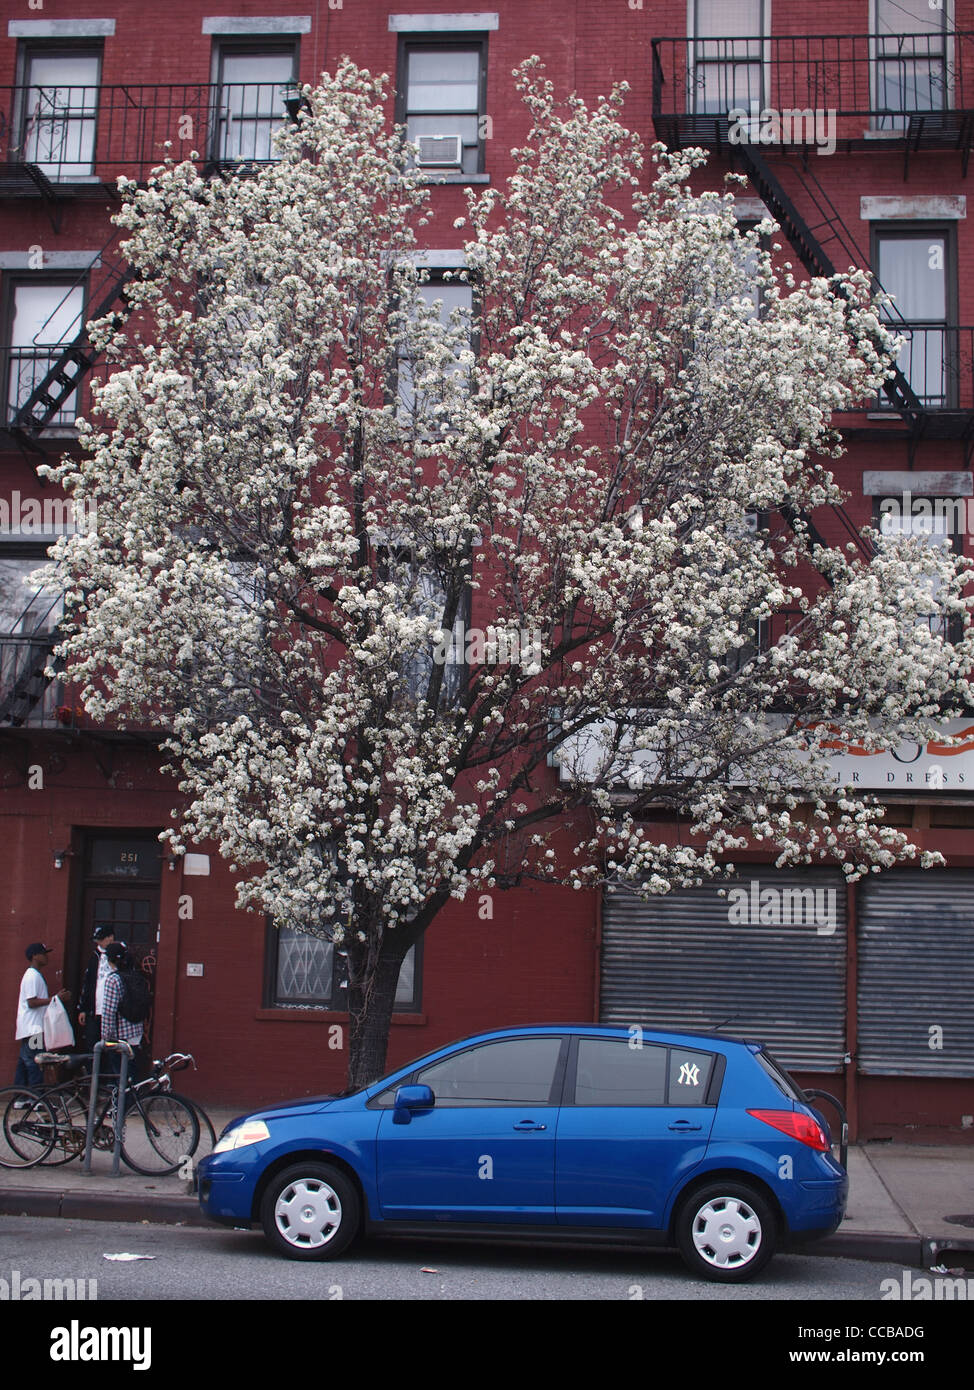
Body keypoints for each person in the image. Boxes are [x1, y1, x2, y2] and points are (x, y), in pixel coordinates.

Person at [14, 942, 71, 1087]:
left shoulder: (34, 975)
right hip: (34, 1029)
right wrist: (56, 998)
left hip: (30, 1028)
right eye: (43, 954)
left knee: (24, 1062)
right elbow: (31, 1002)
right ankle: (36, 1097)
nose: (46, 957)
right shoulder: (33, 976)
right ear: (34, 956)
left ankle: (21, 1097)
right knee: (36, 1062)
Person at [99, 943, 144, 1080]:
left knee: (120, 1075)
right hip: (135, 1032)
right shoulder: (135, 975)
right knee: (131, 1073)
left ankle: (123, 1101)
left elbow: (108, 1012)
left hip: (120, 1036)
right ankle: (133, 1100)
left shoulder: (113, 979)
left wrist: (106, 1038)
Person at [78, 926, 124, 1054]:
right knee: (92, 1044)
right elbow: (87, 983)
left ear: (111, 938)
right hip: (95, 1010)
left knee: (112, 1046)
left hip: (112, 1010)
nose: (98, 942)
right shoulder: (94, 956)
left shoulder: (120, 954)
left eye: (101, 939)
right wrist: (83, 1008)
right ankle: (94, 1072)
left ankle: (110, 1072)